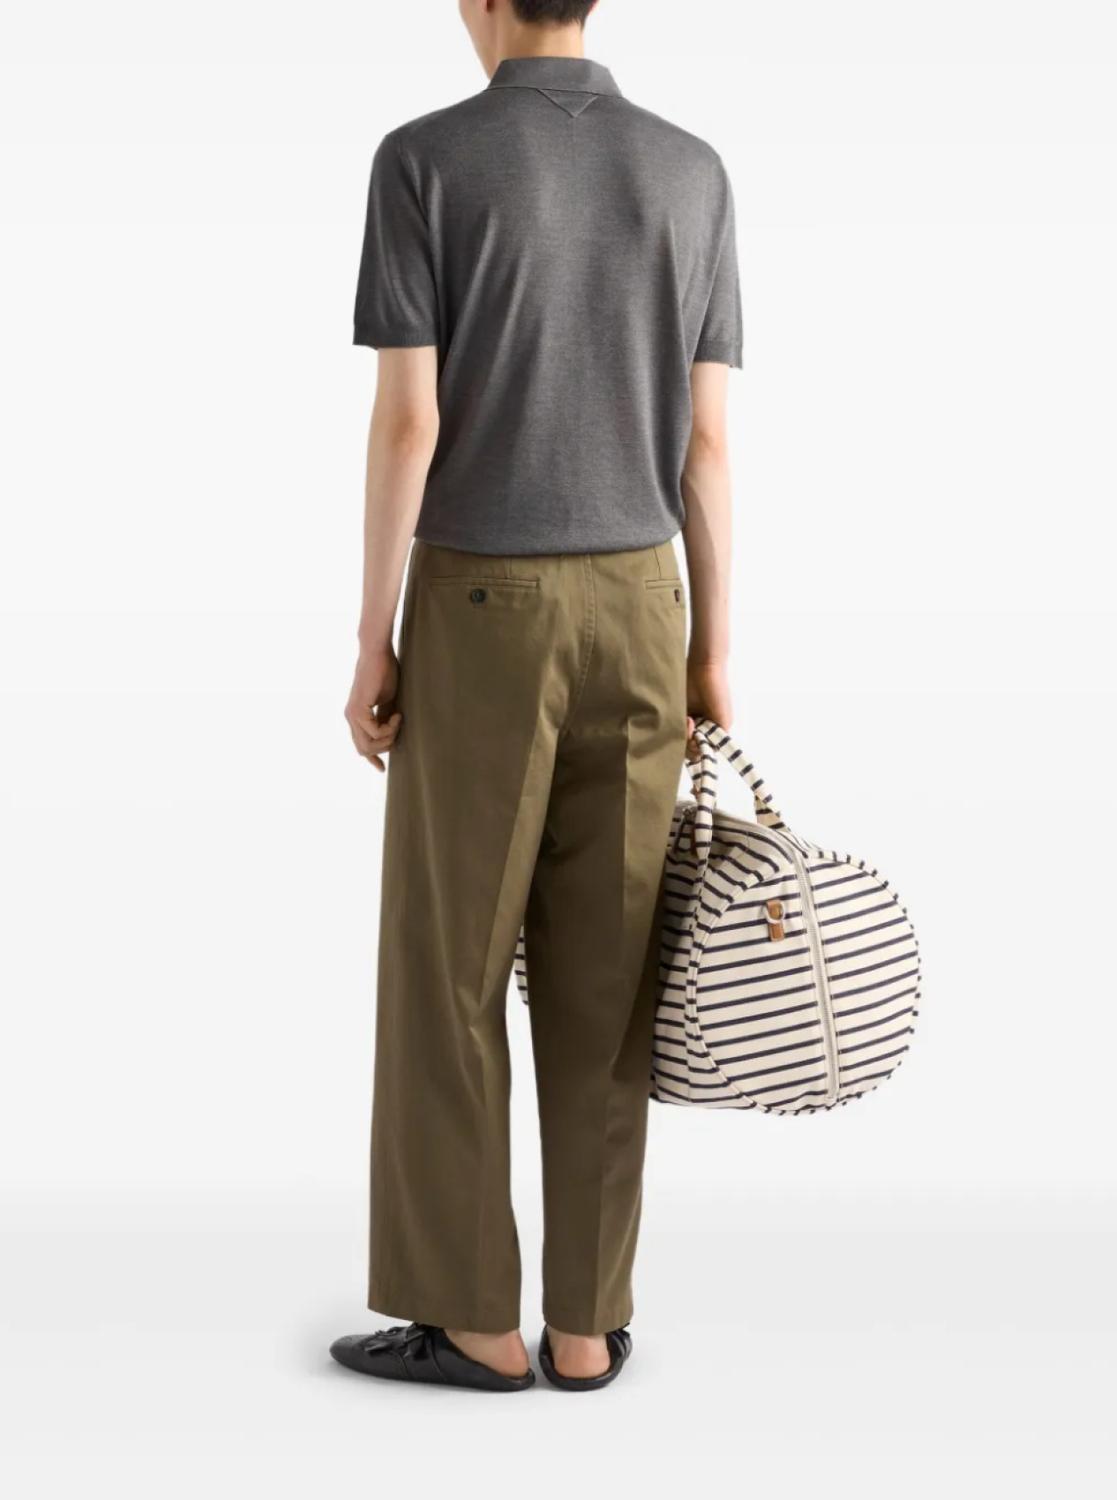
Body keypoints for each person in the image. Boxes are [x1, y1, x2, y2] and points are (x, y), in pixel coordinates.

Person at [331, 0, 740, 1393]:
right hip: (644, 602)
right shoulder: (690, 170)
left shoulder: (423, 160)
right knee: (607, 976)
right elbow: (705, 446)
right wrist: (712, 649)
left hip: (481, 607)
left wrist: (373, 637)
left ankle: (471, 1322)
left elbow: (410, 420)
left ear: (487, 1)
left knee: (449, 969)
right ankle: (583, 1326)